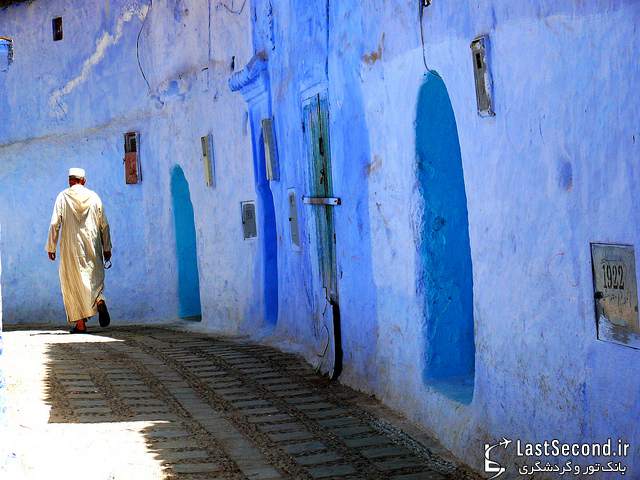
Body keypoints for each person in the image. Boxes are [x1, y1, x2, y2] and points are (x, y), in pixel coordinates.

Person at [46, 168, 112, 333]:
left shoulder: (63, 196)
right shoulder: (94, 196)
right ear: (83, 180)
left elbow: (55, 223)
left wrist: (51, 246)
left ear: (70, 180)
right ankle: (99, 301)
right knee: (94, 278)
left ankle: (80, 324)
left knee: (73, 282)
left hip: (71, 248)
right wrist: (107, 247)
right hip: (93, 244)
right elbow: (104, 224)